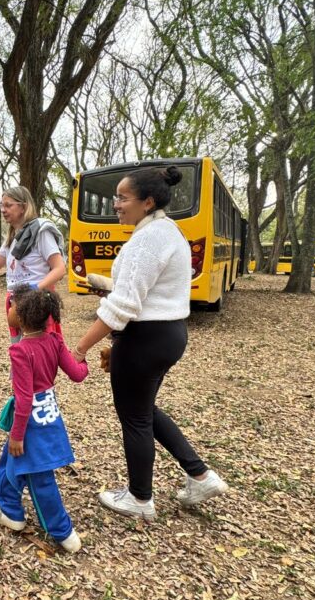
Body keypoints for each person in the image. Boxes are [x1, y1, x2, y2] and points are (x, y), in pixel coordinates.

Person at [71, 166, 228, 521]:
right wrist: (111, 291)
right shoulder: (167, 231)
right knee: (145, 411)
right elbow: (149, 290)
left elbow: (125, 306)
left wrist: (79, 348)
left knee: (136, 418)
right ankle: (199, 474)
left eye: (123, 198)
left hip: (145, 338)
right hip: (167, 334)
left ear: (148, 202)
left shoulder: (147, 239)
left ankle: (140, 499)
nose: (116, 205)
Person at [0, 286, 87, 553]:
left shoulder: (20, 351)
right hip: (49, 414)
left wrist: (17, 434)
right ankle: (10, 511)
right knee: (9, 460)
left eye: (12, 305)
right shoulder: (54, 341)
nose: (8, 309)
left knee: (40, 477)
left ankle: (63, 531)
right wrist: (83, 361)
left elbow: (24, 398)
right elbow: (76, 374)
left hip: (30, 422)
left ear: (22, 316)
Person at [0, 187, 66, 341]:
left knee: (41, 351)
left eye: (8, 205)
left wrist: (35, 290)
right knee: (20, 349)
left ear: (23, 207)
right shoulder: (12, 237)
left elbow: (60, 269)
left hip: (36, 302)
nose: (3, 210)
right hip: (16, 302)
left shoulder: (41, 232)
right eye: (2, 206)